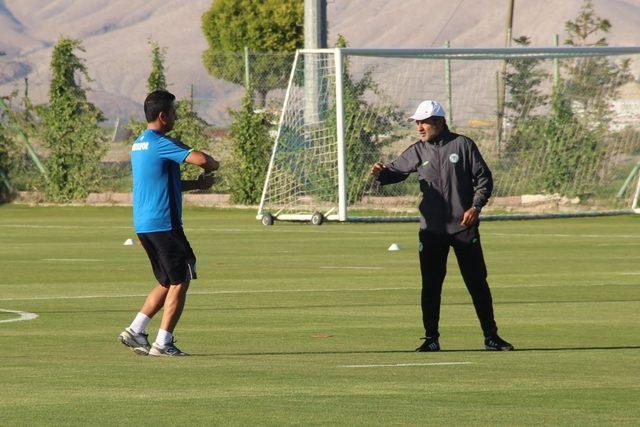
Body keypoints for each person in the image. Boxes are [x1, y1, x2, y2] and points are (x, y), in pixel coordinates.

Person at [371, 100, 514, 352]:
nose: (419, 127)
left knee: (477, 282)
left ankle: (491, 336)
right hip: (432, 231)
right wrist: (380, 173)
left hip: (463, 228)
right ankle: (431, 339)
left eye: (424, 121)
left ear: (440, 121)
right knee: (431, 285)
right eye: (417, 122)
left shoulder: (463, 145)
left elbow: (484, 179)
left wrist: (475, 207)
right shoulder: (418, 150)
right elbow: (395, 172)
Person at [118, 90, 219, 357]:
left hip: (145, 224)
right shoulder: (160, 142)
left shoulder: (140, 142)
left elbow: (161, 182)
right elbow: (204, 160)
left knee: (166, 281)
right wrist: (211, 166)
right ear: (163, 116)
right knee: (182, 278)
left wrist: (196, 185)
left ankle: (135, 330)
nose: (176, 115)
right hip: (165, 224)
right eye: (174, 112)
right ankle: (163, 343)